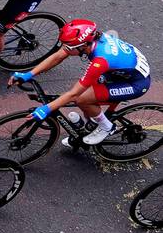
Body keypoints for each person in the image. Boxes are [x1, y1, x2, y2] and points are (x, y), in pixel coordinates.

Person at [10, 20, 151, 146]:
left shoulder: (100, 61)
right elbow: (58, 56)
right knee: (87, 95)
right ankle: (89, 125)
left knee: (82, 99)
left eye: (69, 46)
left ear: (83, 46)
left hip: (135, 83)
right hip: (120, 70)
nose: (65, 48)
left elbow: (74, 94)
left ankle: (107, 126)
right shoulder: (91, 42)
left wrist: (46, 109)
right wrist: (29, 74)